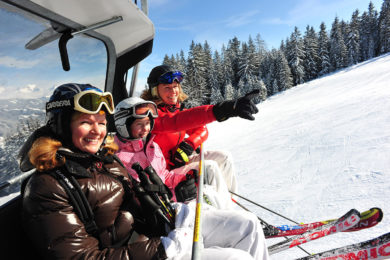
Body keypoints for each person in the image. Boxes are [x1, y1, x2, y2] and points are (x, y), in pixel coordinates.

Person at [20, 83, 269, 260]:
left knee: (245, 226)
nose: (96, 130)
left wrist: (163, 197)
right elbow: (82, 255)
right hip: (148, 249)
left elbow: (137, 202)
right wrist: (164, 249)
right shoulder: (48, 185)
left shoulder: (104, 161)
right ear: (62, 125)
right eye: (85, 122)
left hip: (155, 231)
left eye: (100, 122)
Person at [141, 64, 259, 207]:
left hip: (179, 163)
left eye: (175, 86)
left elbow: (202, 130)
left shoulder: (176, 109)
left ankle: (230, 205)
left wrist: (189, 144)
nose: (173, 91)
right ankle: (225, 215)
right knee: (208, 168)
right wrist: (222, 110)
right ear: (154, 91)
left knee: (224, 157)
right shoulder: (149, 115)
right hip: (163, 173)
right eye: (167, 87)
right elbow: (174, 123)